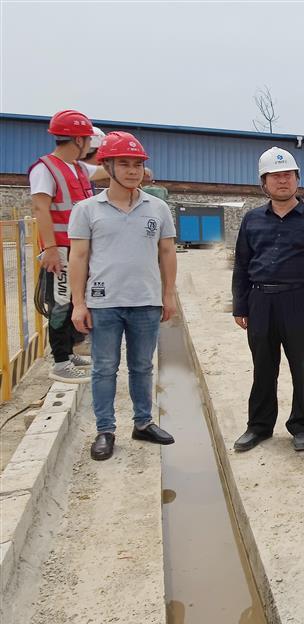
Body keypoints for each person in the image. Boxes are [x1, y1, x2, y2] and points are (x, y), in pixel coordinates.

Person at [68, 131, 178, 461]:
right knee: (104, 367)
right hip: (104, 303)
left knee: (142, 366)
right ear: (108, 166)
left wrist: (168, 294)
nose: (133, 171)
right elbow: (78, 257)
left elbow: (167, 252)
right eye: (124, 164)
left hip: (146, 301)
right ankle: (105, 430)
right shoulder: (87, 209)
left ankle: (143, 423)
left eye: (137, 164)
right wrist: (78, 303)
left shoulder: (157, 208)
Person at [231, 147, 304, 453]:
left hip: (298, 301)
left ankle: (303, 425)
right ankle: (259, 426)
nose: (282, 181)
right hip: (260, 301)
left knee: (302, 368)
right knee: (263, 368)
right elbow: (241, 264)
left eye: (288, 174)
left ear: (297, 179)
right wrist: (240, 305)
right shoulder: (251, 220)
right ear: (264, 183)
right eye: (275, 176)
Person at [29, 110, 107, 383]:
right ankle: (60, 362)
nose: (90, 146)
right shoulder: (45, 169)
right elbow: (41, 208)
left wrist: (130, 165)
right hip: (60, 249)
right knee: (60, 304)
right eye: (87, 140)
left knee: (75, 300)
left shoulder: (78, 167)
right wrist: (50, 249)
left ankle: (69, 352)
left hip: (77, 249)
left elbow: (103, 171)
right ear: (78, 140)